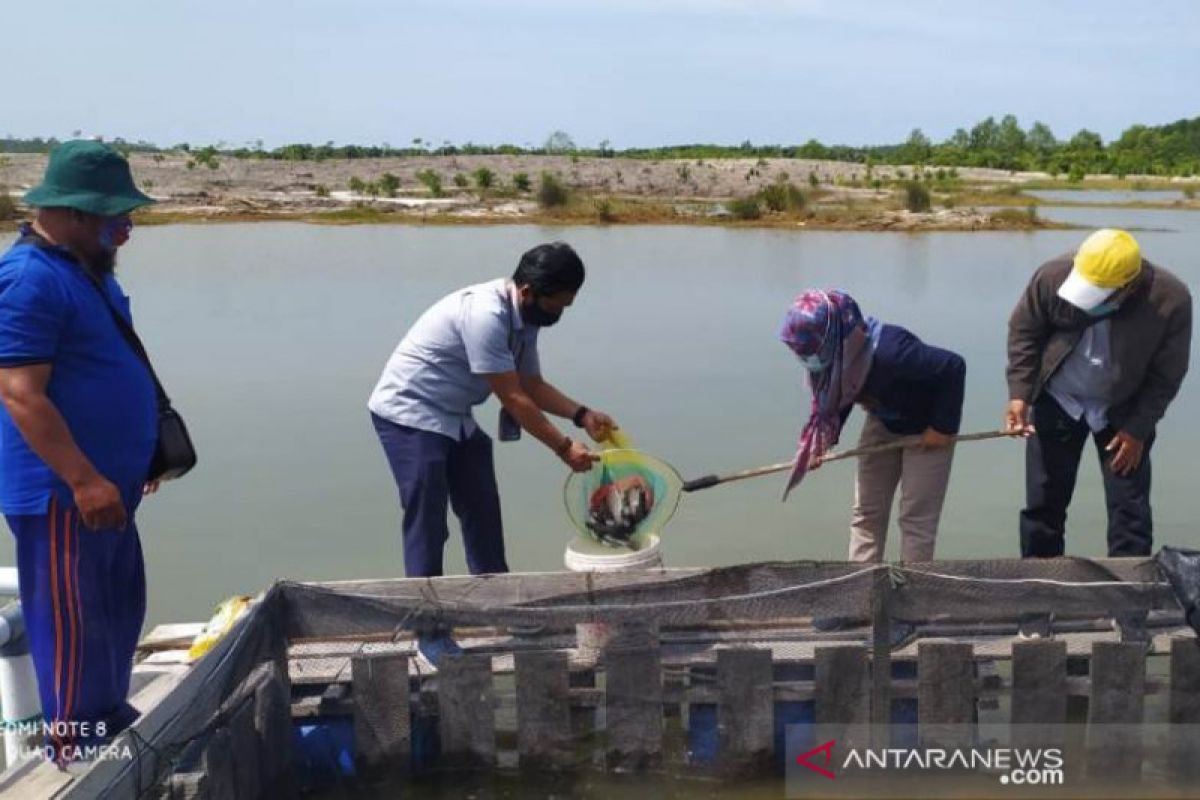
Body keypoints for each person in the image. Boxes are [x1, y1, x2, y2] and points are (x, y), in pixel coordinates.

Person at [368, 241, 617, 664]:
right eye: (557, 304)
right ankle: (430, 630)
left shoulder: (526, 319)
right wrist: (562, 448)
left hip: (454, 413)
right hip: (409, 412)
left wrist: (582, 414)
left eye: (566, 306)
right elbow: (515, 399)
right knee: (428, 521)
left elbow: (532, 384)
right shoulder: (485, 314)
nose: (559, 314)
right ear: (528, 291)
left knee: (482, 508)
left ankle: (503, 607)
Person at [0, 140, 159, 761]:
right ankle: (77, 746)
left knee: (115, 609)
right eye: (115, 221)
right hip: (63, 491)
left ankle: (107, 718)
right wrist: (86, 479)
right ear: (72, 215)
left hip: (106, 483)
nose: (124, 232)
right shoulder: (28, 280)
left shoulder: (83, 274)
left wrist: (136, 458)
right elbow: (20, 394)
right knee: (70, 621)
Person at [1005, 229, 1192, 559]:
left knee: (1129, 514)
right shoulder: (1052, 276)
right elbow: (1025, 332)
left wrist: (1138, 429)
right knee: (1043, 507)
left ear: (1128, 286)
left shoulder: (1171, 298)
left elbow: (1167, 375)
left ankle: (1128, 606)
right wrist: (1019, 394)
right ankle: (1037, 602)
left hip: (1123, 411)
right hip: (1059, 400)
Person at [780, 289, 966, 564]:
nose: (807, 359)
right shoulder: (837, 360)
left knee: (916, 519)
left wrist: (942, 427)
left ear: (833, 335)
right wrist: (824, 440)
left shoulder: (893, 353)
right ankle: (861, 586)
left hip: (928, 431)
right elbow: (839, 396)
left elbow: (952, 367)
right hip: (882, 422)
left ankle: (915, 593)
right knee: (866, 514)